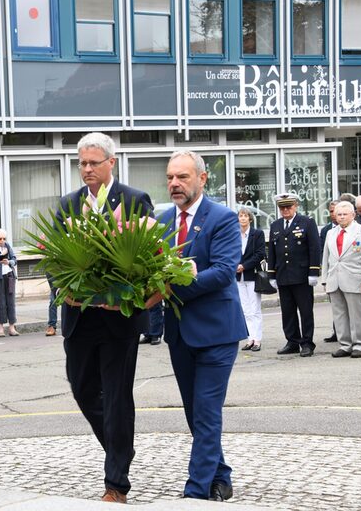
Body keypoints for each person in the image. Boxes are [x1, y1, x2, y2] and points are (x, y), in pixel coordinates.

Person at [57, 132, 153, 504]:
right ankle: (120, 447)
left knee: (116, 396)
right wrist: (60, 286)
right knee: (82, 390)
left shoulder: (133, 200)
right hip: (79, 315)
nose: (86, 170)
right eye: (81, 163)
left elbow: (145, 258)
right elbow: (55, 256)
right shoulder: (69, 204)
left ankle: (116, 482)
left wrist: (121, 292)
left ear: (111, 162)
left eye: (93, 163)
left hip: (118, 318)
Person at [154, 150, 246, 501]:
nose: (175, 184)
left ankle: (195, 493)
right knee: (195, 413)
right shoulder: (162, 222)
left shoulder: (222, 218)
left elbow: (223, 272)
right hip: (179, 333)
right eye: (170, 177)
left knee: (206, 410)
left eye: (183, 177)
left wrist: (172, 286)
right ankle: (220, 474)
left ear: (202, 179)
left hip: (217, 332)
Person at [267, 193, 320, 357]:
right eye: (282, 207)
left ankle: (307, 342)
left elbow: (314, 248)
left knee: (305, 311)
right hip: (283, 275)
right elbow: (272, 252)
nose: (285, 210)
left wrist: (314, 271)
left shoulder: (307, 222)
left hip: (302, 275)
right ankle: (292, 341)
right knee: (288, 311)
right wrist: (271, 274)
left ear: (295, 206)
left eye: (288, 206)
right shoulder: (275, 225)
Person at [321, 201, 361, 358]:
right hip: (334, 278)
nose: (341, 217)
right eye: (339, 214)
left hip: (355, 277)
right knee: (339, 314)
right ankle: (345, 344)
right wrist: (325, 278)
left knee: (356, 314)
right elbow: (326, 257)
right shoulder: (331, 233)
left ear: (353, 215)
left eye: (345, 214)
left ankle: (359, 344)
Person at [236, 207, 266, 351]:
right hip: (238, 276)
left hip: (252, 274)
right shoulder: (234, 235)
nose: (242, 218)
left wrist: (244, 266)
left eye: (245, 216)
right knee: (245, 309)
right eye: (240, 216)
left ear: (250, 219)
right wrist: (235, 265)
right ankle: (250, 338)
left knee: (255, 309)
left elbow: (260, 254)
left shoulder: (257, 234)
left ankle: (257, 339)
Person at [321, 200, 340, 343]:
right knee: (336, 304)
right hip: (332, 272)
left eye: (336, 211)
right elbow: (323, 253)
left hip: (348, 273)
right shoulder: (326, 230)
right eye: (331, 211)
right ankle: (337, 331)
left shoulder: (355, 228)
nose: (334, 214)